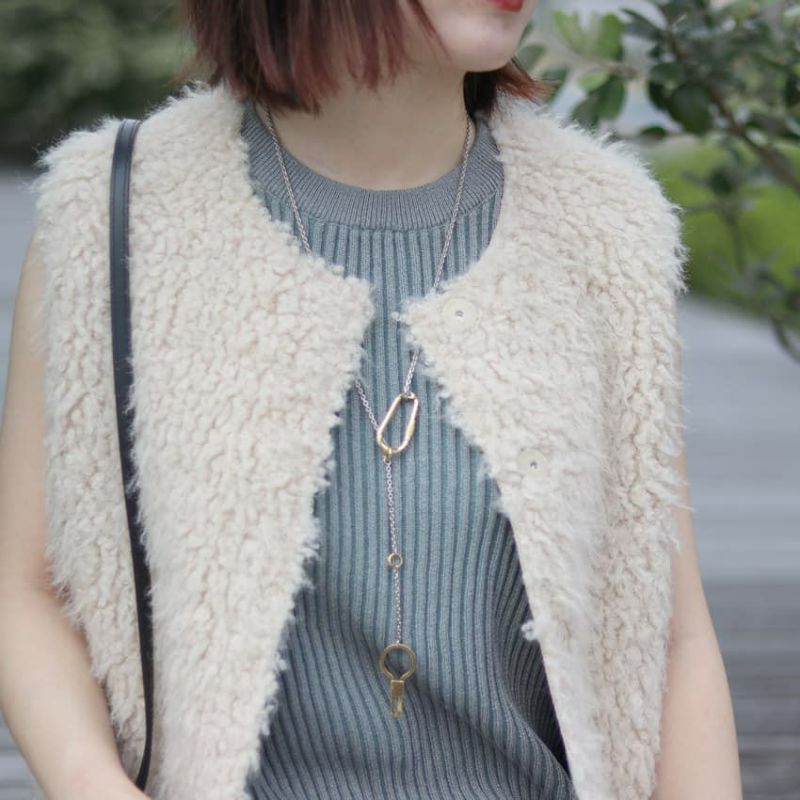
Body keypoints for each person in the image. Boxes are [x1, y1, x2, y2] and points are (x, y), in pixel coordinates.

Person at [0, 0, 742, 799]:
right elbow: (27, 590)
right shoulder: (115, 210)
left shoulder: (604, 223)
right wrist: (91, 781)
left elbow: (670, 636)